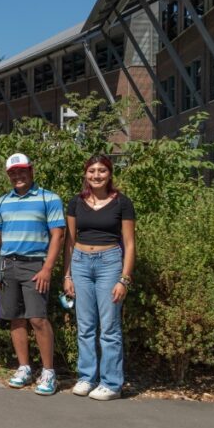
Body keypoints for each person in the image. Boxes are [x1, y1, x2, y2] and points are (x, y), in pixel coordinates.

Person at [0, 153, 65, 396]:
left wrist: (47, 268)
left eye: (22, 171)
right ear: (8, 175)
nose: (18, 176)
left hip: (35, 266)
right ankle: (24, 367)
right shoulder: (3, 203)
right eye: (13, 172)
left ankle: (48, 371)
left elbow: (58, 235)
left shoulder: (48, 198)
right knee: (15, 318)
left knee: (38, 318)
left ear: (31, 171)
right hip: (8, 265)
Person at [64, 154, 136, 401]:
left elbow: (129, 243)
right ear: (86, 174)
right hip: (81, 263)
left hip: (109, 263)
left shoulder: (122, 203)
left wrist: (124, 279)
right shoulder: (76, 202)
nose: (96, 175)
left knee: (109, 327)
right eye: (92, 171)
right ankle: (86, 377)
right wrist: (67, 275)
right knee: (85, 327)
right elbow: (69, 242)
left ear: (110, 174)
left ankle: (112, 383)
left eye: (102, 171)